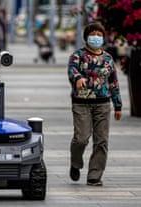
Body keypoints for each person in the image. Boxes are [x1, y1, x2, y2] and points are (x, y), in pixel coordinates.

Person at [67, 22, 122, 186]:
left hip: (103, 104)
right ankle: (75, 163)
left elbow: (114, 82)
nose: (96, 37)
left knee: (102, 141)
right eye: (93, 34)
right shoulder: (77, 56)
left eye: (99, 34)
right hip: (81, 103)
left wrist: (118, 105)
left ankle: (94, 175)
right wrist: (78, 79)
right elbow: (72, 70)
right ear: (86, 37)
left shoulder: (108, 59)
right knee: (81, 139)